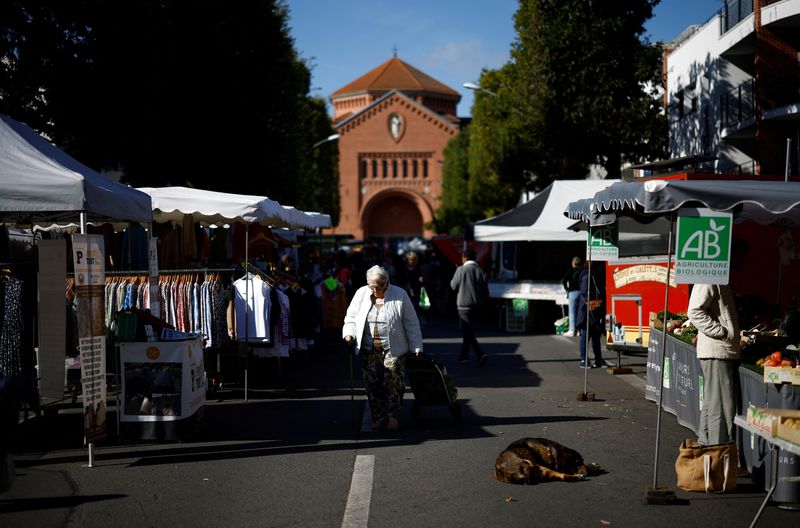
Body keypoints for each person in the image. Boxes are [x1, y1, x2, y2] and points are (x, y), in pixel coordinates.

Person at [342, 265, 423, 432]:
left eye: (377, 287)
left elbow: (411, 323)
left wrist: (416, 346)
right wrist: (349, 333)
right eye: (371, 286)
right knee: (372, 384)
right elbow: (351, 316)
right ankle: (379, 416)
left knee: (393, 382)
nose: (373, 290)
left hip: (394, 348)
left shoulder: (400, 294)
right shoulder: (361, 293)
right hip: (368, 348)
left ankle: (393, 416)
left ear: (386, 284)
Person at [687, 238, 748, 446]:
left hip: (719, 350)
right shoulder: (710, 277)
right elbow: (694, 311)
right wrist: (722, 332)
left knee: (714, 404)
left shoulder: (720, 277)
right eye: (741, 256)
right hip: (716, 351)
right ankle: (718, 453)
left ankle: (708, 447)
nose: (743, 261)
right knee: (721, 407)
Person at [450, 248, 489, 366]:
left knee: (467, 330)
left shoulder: (460, 270)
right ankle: (464, 356)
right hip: (476, 305)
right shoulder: (480, 271)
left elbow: (453, 286)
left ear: (465, 257)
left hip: (463, 304)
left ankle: (479, 353)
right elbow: (485, 291)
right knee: (468, 330)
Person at [576, 261, 608, 368]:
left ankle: (597, 359)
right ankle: (584, 360)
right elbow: (585, 293)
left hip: (591, 310)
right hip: (588, 311)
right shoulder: (588, 275)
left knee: (595, 336)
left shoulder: (589, 274)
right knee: (586, 336)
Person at [561, 256, 583, 337]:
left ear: (573, 263)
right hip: (581, 292)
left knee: (572, 312)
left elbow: (564, 280)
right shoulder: (582, 271)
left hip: (572, 292)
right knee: (580, 312)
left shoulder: (570, 271)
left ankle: (572, 330)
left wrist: (567, 289)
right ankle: (579, 330)